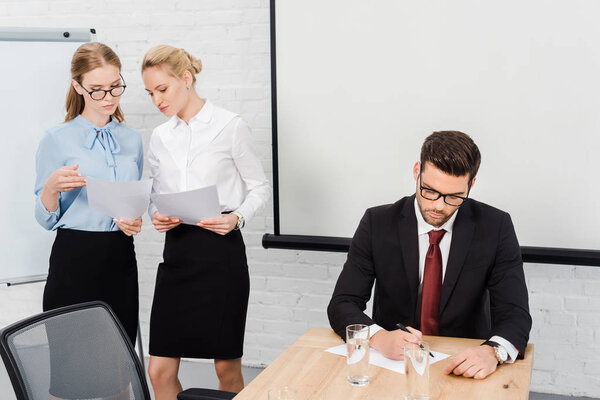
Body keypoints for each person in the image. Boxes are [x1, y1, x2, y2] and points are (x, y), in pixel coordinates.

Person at [327, 130, 531, 380]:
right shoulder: (378, 223)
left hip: (464, 364)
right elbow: (342, 303)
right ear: (417, 172)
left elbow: (515, 312)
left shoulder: (495, 226)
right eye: (429, 191)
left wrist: (493, 352)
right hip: (394, 364)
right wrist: (379, 338)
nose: (439, 205)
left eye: (454, 197)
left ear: (472, 185)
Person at [141, 45, 271, 398]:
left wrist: (237, 218)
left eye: (162, 90)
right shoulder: (159, 136)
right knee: (158, 369)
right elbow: (157, 193)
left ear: (186, 79)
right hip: (177, 254)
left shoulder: (230, 126)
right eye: (150, 92)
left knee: (226, 369)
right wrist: (157, 215)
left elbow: (259, 186)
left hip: (220, 254)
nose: (156, 100)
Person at [34, 42, 143, 399]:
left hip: (120, 259)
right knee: (68, 378)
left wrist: (133, 222)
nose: (108, 96)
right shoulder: (57, 138)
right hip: (74, 261)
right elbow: (45, 217)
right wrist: (50, 187)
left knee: (119, 374)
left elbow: (136, 201)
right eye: (97, 89)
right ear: (78, 86)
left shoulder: (132, 139)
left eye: (115, 86)